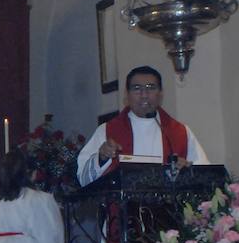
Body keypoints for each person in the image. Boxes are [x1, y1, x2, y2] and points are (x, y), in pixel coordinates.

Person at [77, 65, 209, 185]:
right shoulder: (106, 131)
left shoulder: (180, 133)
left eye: (151, 88)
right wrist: (101, 158)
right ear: (127, 95)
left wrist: (187, 170)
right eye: (136, 89)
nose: (144, 95)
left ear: (160, 94)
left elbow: (206, 177)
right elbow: (83, 179)